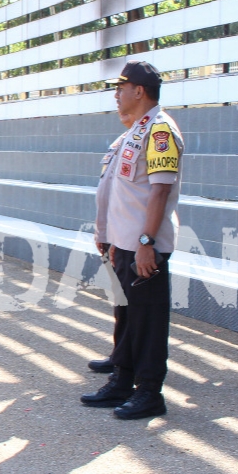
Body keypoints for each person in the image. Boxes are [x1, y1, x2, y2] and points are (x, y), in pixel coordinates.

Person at [81, 61, 183, 420]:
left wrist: (145, 241)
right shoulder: (135, 131)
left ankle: (150, 392)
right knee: (126, 316)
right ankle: (123, 380)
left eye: (121, 88)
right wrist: (109, 237)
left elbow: (158, 193)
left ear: (139, 91)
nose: (116, 94)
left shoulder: (160, 131)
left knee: (148, 321)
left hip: (144, 246)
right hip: (123, 242)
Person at [86, 105, 138, 375]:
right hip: (112, 233)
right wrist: (102, 233)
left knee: (131, 305)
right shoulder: (123, 141)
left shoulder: (145, 140)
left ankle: (128, 362)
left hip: (127, 235)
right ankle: (119, 354)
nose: (120, 104)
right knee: (120, 302)